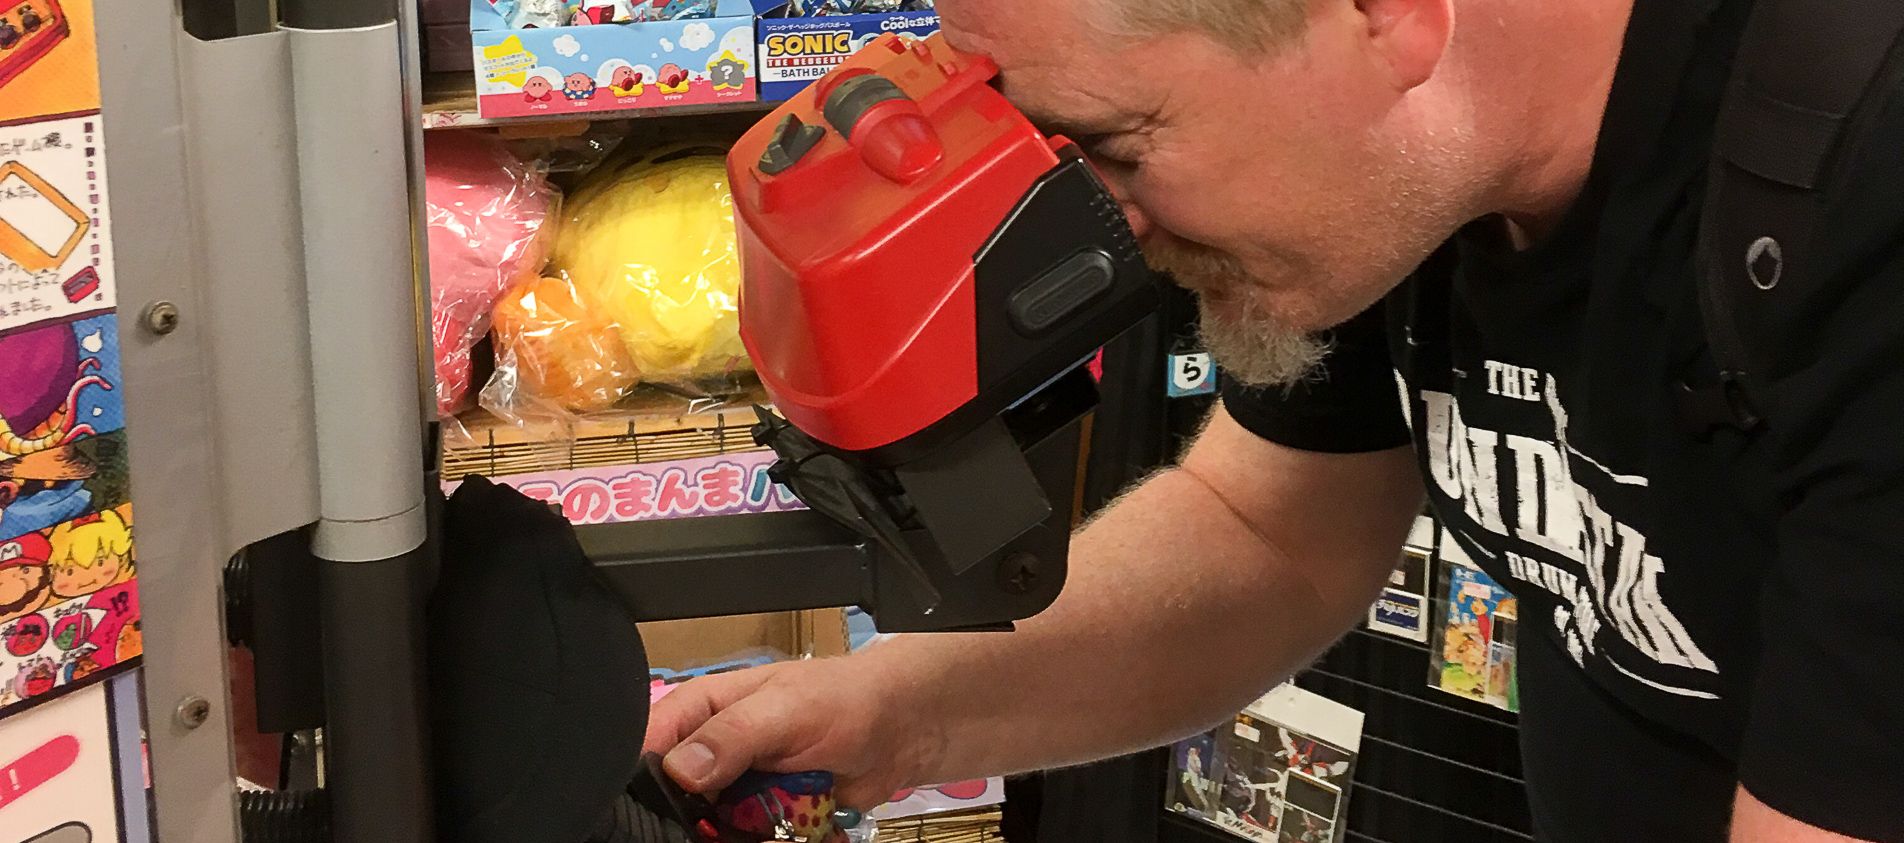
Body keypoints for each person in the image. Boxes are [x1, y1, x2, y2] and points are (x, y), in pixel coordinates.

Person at [647, 0, 1904, 840]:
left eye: (1118, 145)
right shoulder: (1400, 174)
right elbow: (1265, 534)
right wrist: (900, 715)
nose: (1108, 223)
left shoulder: (1861, 198)